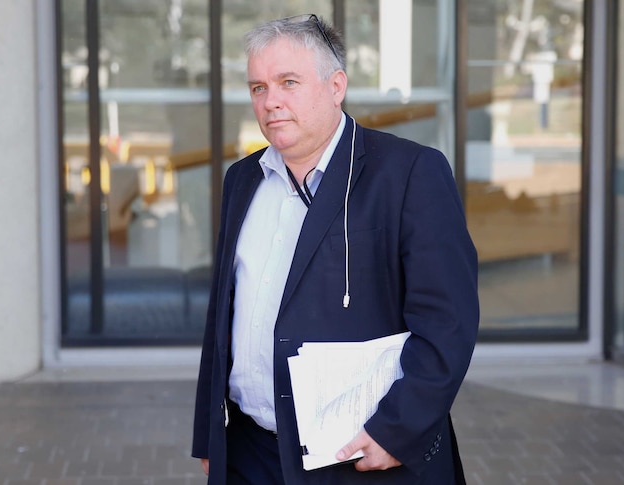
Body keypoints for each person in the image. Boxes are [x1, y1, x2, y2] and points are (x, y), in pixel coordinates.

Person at [192, 14, 479, 484]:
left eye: (289, 82)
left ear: (336, 86)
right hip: (250, 452)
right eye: (258, 88)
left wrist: (397, 432)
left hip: (358, 456)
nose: (271, 102)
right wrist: (210, 435)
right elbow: (222, 317)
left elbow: (448, 323)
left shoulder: (409, 174)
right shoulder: (241, 180)